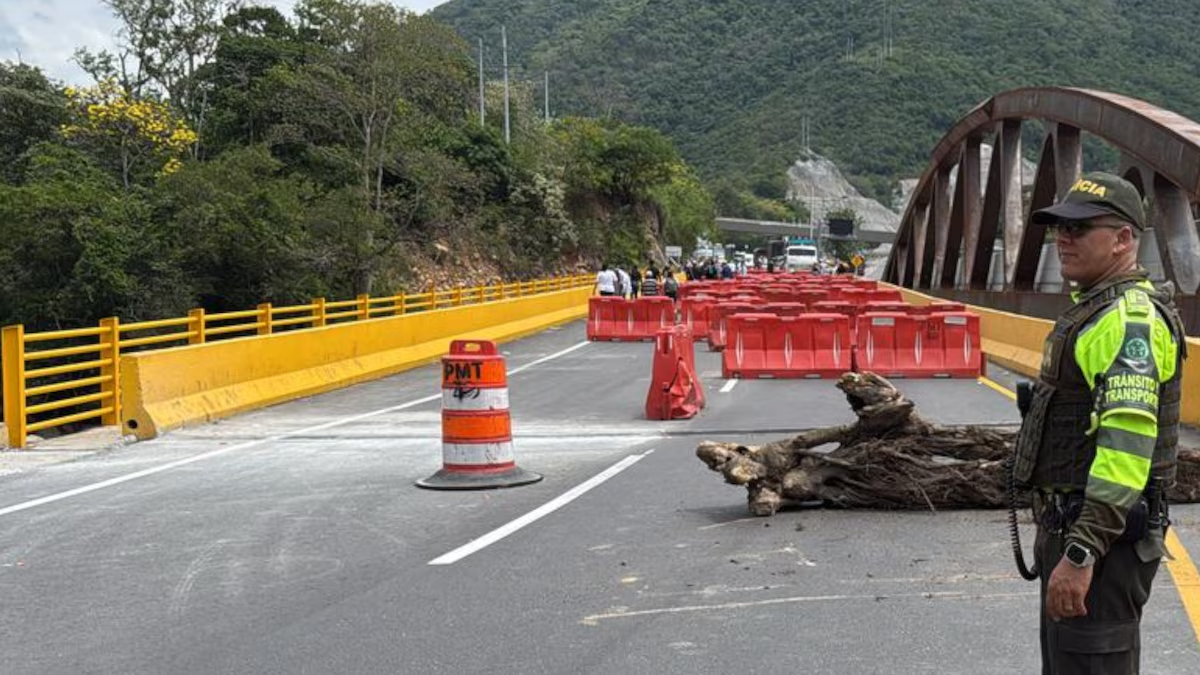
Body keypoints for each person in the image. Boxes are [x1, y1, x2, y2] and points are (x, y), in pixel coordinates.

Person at [1014, 172, 1186, 674]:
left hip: (1101, 542)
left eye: (1080, 228)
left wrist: (1082, 552)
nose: (1063, 239)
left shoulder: (1126, 323)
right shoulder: (1095, 312)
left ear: (1123, 240)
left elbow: (1125, 452)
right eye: (1060, 228)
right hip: (1080, 530)